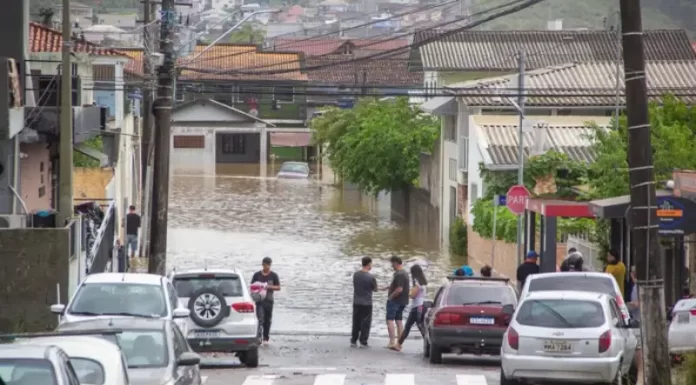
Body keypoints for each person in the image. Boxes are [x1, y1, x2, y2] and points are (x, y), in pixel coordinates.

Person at [394, 264, 428, 351]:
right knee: (420, 327)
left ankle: (398, 345)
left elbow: (413, 295)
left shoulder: (417, 283)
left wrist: (407, 293)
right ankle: (428, 343)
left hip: (416, 308)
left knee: (409, 326)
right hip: (421, 307)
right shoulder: (424, 283)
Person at [251, 257, 281, 345]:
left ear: (270, 265)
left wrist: (268, 287)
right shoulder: (257, 275)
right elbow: (252, 286)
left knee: (268, 320)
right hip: (259, 300)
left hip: (269, 300)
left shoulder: (274, 275)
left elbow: (278, 287)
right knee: (260, 319)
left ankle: (266, 337)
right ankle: (259, 337)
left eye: (268, 265)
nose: (267, 267)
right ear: (262, 264)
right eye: (265, 265)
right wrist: (259, 287)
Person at [382, 255, 410, 349]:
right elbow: (398, 286)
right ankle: (399, 343)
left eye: (392, 264)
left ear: (396, 263)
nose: (391, 266)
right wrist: (388, 287)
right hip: (403, 301)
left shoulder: (399, 274)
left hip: (395, 301)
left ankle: (392, 342)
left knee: (390, 320)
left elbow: (399, 289)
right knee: (399, 321)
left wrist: (390, 297)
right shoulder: (404, 273)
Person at [351, 256, 377, 348]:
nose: (372, 265)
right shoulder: (371, 277)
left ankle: (353, 341)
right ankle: (363, 341)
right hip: (367, 303)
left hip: (356, 301)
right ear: (369, 264)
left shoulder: (356, 275)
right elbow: (375, 289)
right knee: (365, 323)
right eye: (371, 263)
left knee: (356, 321)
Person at [628, 266, 644, 385]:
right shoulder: (639, 286)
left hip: (638, 321)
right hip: (638, 320)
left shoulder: (637, 287)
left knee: (638, 349)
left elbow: (639, 303)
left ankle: (640, 378)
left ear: (632, 275)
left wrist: (629, 305)